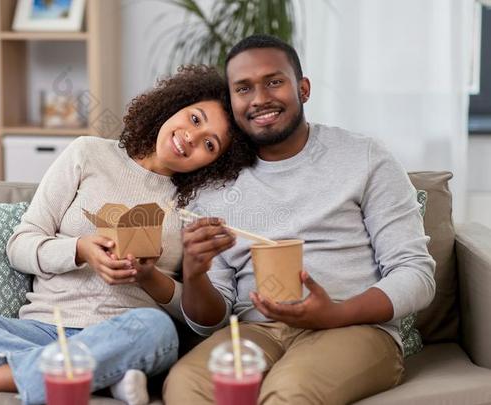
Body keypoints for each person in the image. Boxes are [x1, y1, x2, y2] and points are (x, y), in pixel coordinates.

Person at [0, 65, 255, 405]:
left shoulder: (199, 205)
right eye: (194, 118)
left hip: (123, 331)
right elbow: (20, 245)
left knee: (157, 331)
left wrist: (150, 278)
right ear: (175, 105)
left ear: (215, 161)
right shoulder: (88, 154)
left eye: (209, 144)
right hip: (40, 329)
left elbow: (208, 321)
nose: (190, 138)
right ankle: (101, 377)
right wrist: (79, 250)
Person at [164, 34, 436, 405]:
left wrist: (336, 314)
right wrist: (195, 275)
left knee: (290, 392)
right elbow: (209, 319)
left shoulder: (364, 157)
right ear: (232, 102)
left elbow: (416, 274)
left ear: (303, 89)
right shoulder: (211, 188)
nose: (259, 99)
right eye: (244, 89)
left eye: (274, 82)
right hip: (255, 332)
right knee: (184, 386)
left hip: (354, 328)